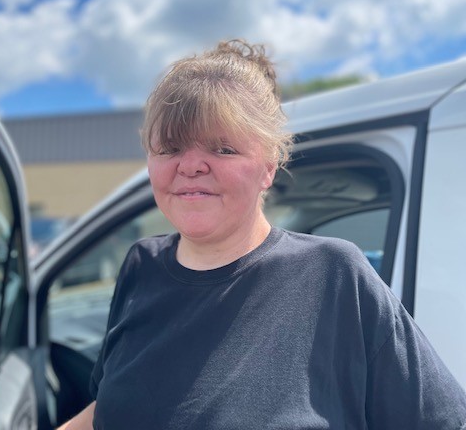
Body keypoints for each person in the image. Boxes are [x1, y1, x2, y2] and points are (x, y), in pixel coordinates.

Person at [58, 39, 466, 430]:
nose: (191, 165)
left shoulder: (334, 275)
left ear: (269, 166)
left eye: (222, 149)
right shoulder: (139, 265)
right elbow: (108, 409)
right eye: (169, 148)